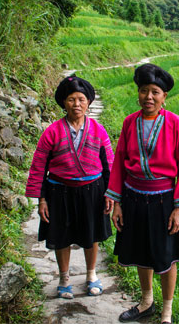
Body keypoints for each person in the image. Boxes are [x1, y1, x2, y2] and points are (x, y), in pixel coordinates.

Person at [104, 63, 179, 324]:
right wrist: (117, 202)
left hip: (164, 201)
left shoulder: (176, 124)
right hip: (133, 198)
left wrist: (178, 209)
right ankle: (146, 302)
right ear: (138, 93)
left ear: (164, 96)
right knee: (141, 252)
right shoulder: (129, 122)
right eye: (144, 90)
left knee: (166, 256)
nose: (149, 97)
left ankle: (166, 310)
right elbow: (120, 160)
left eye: (155, 91)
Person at [25, 76, 113, 299]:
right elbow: (38, 167)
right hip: (59, 192)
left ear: (88, 103)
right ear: (64, 103)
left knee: (91, 235)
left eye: (81, 99)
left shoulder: (98, 131)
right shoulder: (52, 132)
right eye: (71, 99)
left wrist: (111, 193)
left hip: (92, 191)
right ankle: (64, 278)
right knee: (61, 236)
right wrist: (41, 199)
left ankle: (91, 275)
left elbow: (109, 163)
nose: (77, 104)